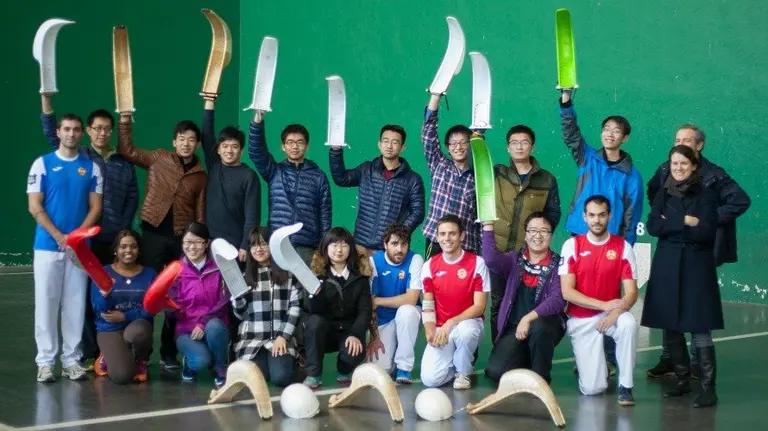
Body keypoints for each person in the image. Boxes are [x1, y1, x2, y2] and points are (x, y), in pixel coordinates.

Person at [40, 94, 139, 370]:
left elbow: (132, 196)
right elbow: (51, 134)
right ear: (88, 131)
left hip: (114, 239)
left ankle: (116, 348)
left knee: (113, 293)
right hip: (86, 241)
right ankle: (88, 349)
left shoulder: (123, 161)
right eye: (97, 128)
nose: (102, 133)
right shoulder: (80, 155)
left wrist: (123, 229)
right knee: (83, 295)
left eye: (107, 129)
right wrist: (46, 101)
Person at [645, 124, 751, 380]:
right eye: (677, 139)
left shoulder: (714, 175)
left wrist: (707, 219)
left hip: (698, 249)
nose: (681, 144)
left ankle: (696, 364)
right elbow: (653, 195)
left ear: (699, 146)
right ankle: (669, 359)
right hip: (672, 248)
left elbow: (740, 200)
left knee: (696, 308)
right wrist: (672, 218)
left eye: (687, 140)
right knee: (669, 304)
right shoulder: (665, 168)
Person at [559, 89, 643, 374]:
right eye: (606, 129)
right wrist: (566, 102)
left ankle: (608, 357)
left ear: (624, 138)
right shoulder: (587, 158)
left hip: (612, 247)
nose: (609, 134)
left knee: (611, 301)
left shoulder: (632, 175)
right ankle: (584, 354)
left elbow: (631, 216)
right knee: (580, 298)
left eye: (616, 131)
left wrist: (623, 250)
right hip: (580, 238)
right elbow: (571, 134)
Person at [118, 110, 207, 370]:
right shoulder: (158, 158)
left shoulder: (200, 175)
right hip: (153, 235)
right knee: (146, 294)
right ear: (174, 141)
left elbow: (200, 212)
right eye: (182, 138)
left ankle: (169, 353)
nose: (186, 143)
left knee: (177, 298)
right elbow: (127, 151)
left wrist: (200, 242)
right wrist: (125, 121)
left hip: (181, 241)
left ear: (197, 144)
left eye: (191, 139)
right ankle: (140, 353)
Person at [642, 145, 721, 408]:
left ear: (694, 166)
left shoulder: (707, 195)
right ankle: (682, 380)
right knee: (670, 325)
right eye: (674, 164)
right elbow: (653, 226)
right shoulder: (663, 193)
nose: (678, 168)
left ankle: (708, 388)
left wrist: (672, 222)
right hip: (667, 264)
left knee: (699, 327)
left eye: (684, 164)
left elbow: (706, 232)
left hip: (696, 266)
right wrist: (685, 221)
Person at [28, 113, 104, 382]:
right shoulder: (42, 164)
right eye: (67, 129)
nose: (71, 134)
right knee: (46, 304)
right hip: (47, 247)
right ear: (58, 132)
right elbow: (34, 206)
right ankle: (45, 362)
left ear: (82, 133)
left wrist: (75, 238)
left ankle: (71, 360)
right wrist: (59, 236)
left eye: (76, 130)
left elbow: (95, 208)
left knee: (75, 304)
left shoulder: (92, 168)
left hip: (79, 250)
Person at [559, 195, 639, 406]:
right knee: (593, 389)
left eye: (601, 215)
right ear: (584, 217)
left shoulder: (623, 247)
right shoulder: (572, 245)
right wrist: (603, 305)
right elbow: (567, 292)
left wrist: (614, 313)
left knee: (628, 323)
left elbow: (631, 292)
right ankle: (596, 367)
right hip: (581, 319)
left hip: (611, 315)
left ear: (609, 216)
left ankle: (626, 386)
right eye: (592, 215)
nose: (597, 220)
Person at [489, 124, 561, 341]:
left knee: (526, 303)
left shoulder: (546, 179)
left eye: (524, 142)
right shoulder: (497, 173)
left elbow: (553, 213)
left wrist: (537, 237)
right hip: (500, 252)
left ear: (532, 146)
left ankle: (525, 347)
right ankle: (500, 347)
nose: (519, 147)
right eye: (514, 143)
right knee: (498, 304)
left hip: (528, 256)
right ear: (508, 147)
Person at [483, 212, 566, 384]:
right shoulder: (514, 260)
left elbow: (557, 300)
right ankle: (528, 357)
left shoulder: (559, 265)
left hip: (545, 325)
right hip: (516, 328)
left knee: (540, 327)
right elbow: (490, 259)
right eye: (533, 230)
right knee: (496, 372)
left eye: (544, 231)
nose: (538, 235)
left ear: (551, 235)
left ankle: (541, 379)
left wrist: (528, 318)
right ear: (526, 235)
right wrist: (488, 226)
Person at [248, 111, 332, 265]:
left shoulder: (319, 176)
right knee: (278, 282)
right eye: (290, 142)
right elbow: (256, 152)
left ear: (307, 146)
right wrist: (257, 122)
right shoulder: (274, 171)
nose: (295, 146)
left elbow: (325, 215)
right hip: (278, 244)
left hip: (307, 247)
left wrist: (322, 248)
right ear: (283, 147)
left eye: (300, 142)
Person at [329, 125, 425, 254]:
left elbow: (418, 213)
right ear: (379, 144)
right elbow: (341, 179)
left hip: (388, 250)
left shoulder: (413, 179)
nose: (389, 146)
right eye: (385, 141)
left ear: (402, 147)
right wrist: (336, 151)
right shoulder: (366, 169)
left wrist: (398, 235)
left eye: (395, 142)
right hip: (360, 245)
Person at [420, 215, 490, 390]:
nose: (447, 238)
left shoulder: (478, 263)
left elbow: (479, 306)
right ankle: (454, 364)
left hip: (468, 323)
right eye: (442, 234)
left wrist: (451, 322)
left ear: (462, 236)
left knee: (466, 331)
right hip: (441, 328)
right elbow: (428, 305)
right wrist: (430, 331)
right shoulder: (429, 266)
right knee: (430, 380)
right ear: (437, 237)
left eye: (452, 233)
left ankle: (463, 372)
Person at [302, 227, 372, 389]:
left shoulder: (360, 278)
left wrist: (355, 334)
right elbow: (312, 310)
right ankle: (313, 374)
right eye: (334, 245)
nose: (339, 250)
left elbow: (364, 311)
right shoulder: (317, 275)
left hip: (348, 331)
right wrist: (316, 296)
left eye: (344, 245)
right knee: (314, 323)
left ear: (351, 249)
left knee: (354, 352)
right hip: (324, 331)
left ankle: (344, 369)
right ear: (326, 248)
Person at [232, 227, 301, 387]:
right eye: (254, 245)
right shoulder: (244, 278)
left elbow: (295, 307)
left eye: (263, 244)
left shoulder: (289, 275)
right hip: (252, 340)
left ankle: (291, 363)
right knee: (256, 378)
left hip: (279, 338)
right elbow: (240, 314)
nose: (258, 249)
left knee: (281, 378)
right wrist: (237, 299)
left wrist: (283, 336)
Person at [169, 222, 230, 388]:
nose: (192, 247)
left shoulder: (219, 267)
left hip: (214, 325)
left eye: (197, 242)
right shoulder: (176, 270)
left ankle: (220, 367)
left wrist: (203, 323)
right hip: (187, 329)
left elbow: (224, 300)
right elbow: (173, 304)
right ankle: (190, 364)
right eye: (187, 242)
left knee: (215, 327)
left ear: (207, 243)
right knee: (201, 361)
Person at [200, 97, 261, 263]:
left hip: (236, 246)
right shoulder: (214, 165)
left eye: (234, 147)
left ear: (241, 151)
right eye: (225, 146)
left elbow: (252, 215)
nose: (229, 151)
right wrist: (209, 101)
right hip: (209, 244)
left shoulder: (249, 176)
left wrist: (245, 245)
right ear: (218, 149)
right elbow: (207, 133)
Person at [91, 230, 155, 385]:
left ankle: (140, 360)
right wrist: (105, 294)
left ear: (139, 250)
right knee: (122, 376)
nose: (128, 250)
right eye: (123, 246)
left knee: (141, 330)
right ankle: (105, 356)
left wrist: (126, 316)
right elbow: (99, 310)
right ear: (115, 250)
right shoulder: (103, 272)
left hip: (136, 326)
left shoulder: (150, 274)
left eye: (133, 246)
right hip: (110, 328)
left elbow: (151, 310)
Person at [421, 93, 479, 258]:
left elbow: (481, 220)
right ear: (447, 147)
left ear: (470, 145)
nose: (458, 147)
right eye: (453, 143)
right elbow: (428, 134)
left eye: (464, 142)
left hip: (465, 245)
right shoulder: (439, 164)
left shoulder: (479, 179)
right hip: (436, 240)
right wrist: (435, 97)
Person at [366, 223, 424, 384]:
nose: (399, 249)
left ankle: (404, 368)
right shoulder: (373, 262)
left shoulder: (415, 259)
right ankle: (391, 359)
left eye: (404, 244)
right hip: (383, 320)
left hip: (409, 317)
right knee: (379, 371)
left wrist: (378, 301)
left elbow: (412, 298)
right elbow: (370, 305)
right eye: (394, 243)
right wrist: (375, 337)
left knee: (406, 311)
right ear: (385, 245)